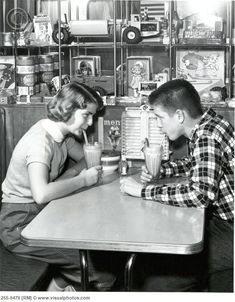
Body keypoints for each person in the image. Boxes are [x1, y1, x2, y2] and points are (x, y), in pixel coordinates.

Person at [0, 82, 116, 291]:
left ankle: (55, 287)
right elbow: (42, 194)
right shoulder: (40, 143)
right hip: (19, 225)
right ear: (68, 109)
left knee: (98, 245)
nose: (90, 123)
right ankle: (56, 289)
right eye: (86, 115)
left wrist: (71, 175)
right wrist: (82, 180)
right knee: (103, 275)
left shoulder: (61, 136)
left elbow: (85, 159)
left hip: (41, 216)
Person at [120, 79, 234, 292]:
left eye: (160, 118)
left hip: (230, 229)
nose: (159, 125)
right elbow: (196, 164)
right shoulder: (209, 124)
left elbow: (201, 195)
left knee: (155, 282)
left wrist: (144, 191)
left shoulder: (207, 136)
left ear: (180, 116)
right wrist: (163, 170)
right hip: (223, 221)